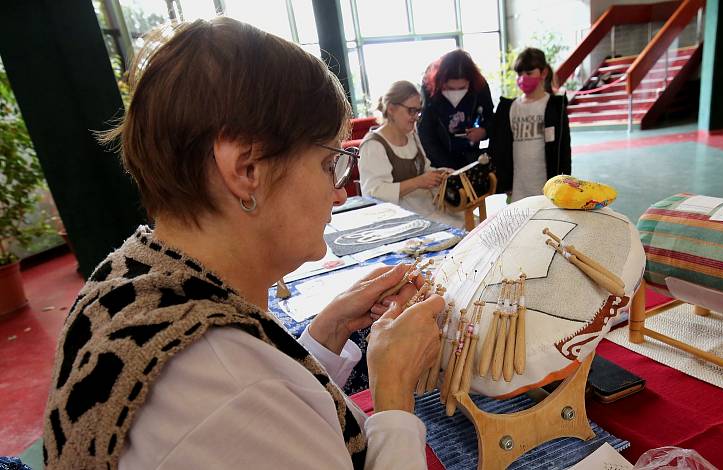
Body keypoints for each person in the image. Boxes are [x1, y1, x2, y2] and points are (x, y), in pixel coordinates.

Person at [42, 18, 443, 470]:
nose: (339, 192)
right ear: (246, 169)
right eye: (330, 163)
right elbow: (251, 400)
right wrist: (393, 391)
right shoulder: (225, 392)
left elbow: (273, 404)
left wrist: (326, 334)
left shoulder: (130, 277)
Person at [358, 80, 463, 227]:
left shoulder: (411, 134)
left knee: (476, 226)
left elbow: (424, 169)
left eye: (418, 111)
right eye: (411, 111)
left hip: (427, 209)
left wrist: (439, 174)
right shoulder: (373, 145)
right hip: (403, 221)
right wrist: (418, 182)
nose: (416, 117)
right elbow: (373, 194)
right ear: (391, 109)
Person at [489, 47, 571, 200]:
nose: (523, 78)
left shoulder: (554, 107)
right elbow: (502, 148)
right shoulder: (510, 108)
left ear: (543, 73)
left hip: (546, 187)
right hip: (518, 188)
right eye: (519, 74)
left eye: (529, 73)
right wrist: (505, 182)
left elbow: (564, 149)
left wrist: (564, 183)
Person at [418, 49, 494, 170]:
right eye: (450, 88)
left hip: (472, 156)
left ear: (470, 82)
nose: (456, 92)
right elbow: (426, 135)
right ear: (440, 82)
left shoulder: (479, 85)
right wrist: (448, 168)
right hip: (440, 160)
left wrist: (484, 131)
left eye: (462, 87)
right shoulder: (429, 88)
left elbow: (491, 117)